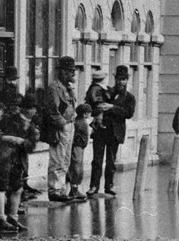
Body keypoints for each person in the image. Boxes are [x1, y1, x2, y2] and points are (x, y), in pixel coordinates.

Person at [0, 94, 41, 234]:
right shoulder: (9, 119)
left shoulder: (32, 126)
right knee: (1, 187)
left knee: (17, 188)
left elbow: (31, 147)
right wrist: (8, 138)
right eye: (32, 108)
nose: (34, 111)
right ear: (25, 109)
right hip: (5, 157)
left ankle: (12, 217)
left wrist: (22, 142)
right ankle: (1, 219)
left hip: (19, 160)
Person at [87, 65, 135, 197]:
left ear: (127, 80)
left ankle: (109, 185)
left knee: (111, 160)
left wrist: (112, 107)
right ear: (115, 78)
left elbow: (128, 113)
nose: (121, 82)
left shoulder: (129, 97)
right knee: (97, 160)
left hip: (115, 132)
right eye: (119, 79)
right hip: (101, 130)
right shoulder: (106, 91)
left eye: (124, 79)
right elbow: (95, 104)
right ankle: (93, 186)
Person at [37, 56, 79, 204]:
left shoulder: (67, 87)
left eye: (72, 71)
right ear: (61, 71)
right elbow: (52, 110)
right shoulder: (55, 88)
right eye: (69, 71)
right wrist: (62, 123)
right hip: (61, 127)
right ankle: (54, 189)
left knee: (66, 159)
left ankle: (61, 189)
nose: (72, 74)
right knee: (58, 159)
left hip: (69, 124)